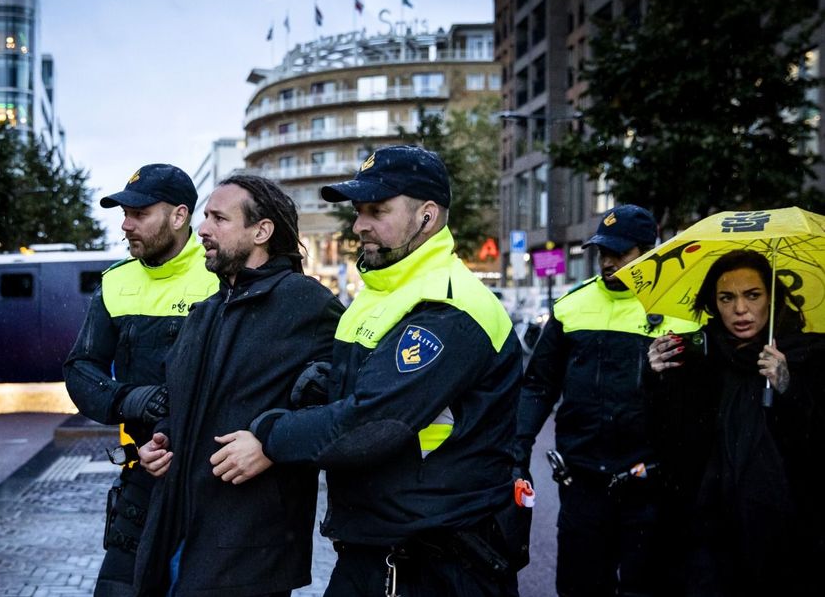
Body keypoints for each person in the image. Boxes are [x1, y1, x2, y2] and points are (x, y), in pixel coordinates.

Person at [210, 145, 525, 596]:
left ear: (427, 216)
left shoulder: (448, 306)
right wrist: (323, 383)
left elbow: (372, 425)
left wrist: (269, 435)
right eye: (359, 211)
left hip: (438, 565)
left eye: (378, 210)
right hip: (374, 552)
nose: (360, 225)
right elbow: (363, 395)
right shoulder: (382, 291)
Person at [134, 175, 343, 597]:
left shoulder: (309, 304)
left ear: (261, 231)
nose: (203, 229)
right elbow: (185, 402)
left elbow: (342, 409)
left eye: (218, 218)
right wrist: (162, 437)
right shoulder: (205, 312)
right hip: (177, 534)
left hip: (250, 550)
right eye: (204, 217)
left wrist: (271, 444)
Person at [514, 204, 700, 597]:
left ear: (649, 252)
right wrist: (519, 450)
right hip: (583, 483)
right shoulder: (571, 307)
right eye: (603, 253)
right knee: (579, 587)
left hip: (651, 485)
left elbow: (698, 402)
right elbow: (538, 386)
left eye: (620, 253)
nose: (609, 262)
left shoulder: (681, 313)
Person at [63, 164, 218, 597]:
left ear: (179, 216)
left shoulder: (221, 277)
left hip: (211, 484)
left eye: (139, 213)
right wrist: (131, 400)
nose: (126, 224)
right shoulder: (116, 281)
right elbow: (80, 369)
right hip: (139, 480)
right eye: (123, 213)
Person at [646, 249, 825, 596]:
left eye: (753, 295)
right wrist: (654, 377)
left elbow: (815, 445)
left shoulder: (809, 355)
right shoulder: (696, 359)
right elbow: (666, 441)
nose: (740, 310)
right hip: (710, 538)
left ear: (772, 299)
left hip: (787, 539)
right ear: (713, 304)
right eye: (727, 298)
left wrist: (789, 388)